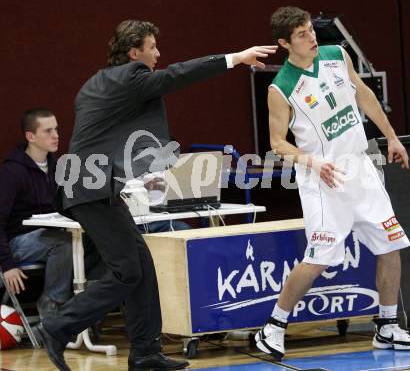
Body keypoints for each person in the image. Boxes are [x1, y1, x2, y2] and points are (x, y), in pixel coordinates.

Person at [34, 19, 277, 371]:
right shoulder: (131, 78)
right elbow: (176, 76)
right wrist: (235, 58)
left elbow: (102, 133)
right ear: (134, 53)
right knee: (127, 272)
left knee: (142, 267)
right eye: (152, 47)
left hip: (93, 187)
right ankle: (56, 326)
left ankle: (146, 353)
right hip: (90, 189)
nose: (158, 54)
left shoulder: (98, 82)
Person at [255, 6, 410, 361]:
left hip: (360, 168)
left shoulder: (336, 55)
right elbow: (277, 143)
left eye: (311, 30)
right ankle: (273, 327)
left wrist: (391, 137)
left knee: (390, 245)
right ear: (285, 43)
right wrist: (312, 160)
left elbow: (363, 93)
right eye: (302, 34)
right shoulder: (281, 87)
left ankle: (387, 326)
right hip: (322, 177)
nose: (311, 37)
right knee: (319, 259)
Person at [0, 109, 73, 318]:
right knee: (64, 243)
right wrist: (7, 264)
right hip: (17, 241)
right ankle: (52, 308)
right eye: (48, 131)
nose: (56, 135)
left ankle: (86, 305)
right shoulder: (12, 172)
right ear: (30, 136)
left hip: (49, 234)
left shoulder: (57, 166)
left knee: (98, 242)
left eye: (56, 129)